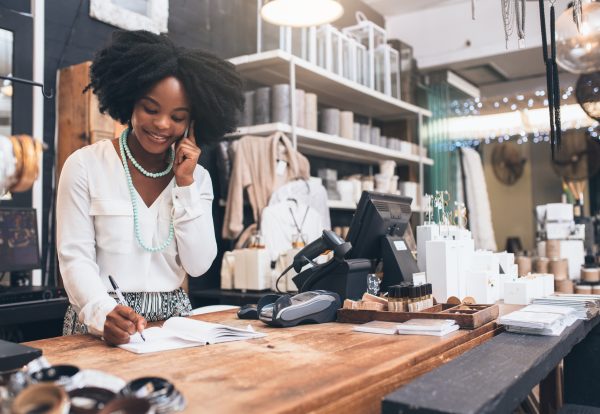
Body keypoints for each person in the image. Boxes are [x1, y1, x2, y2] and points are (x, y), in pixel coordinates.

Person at [56, 30, 243, 345]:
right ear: (129, 102)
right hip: (101, 320)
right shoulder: (84, 166)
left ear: (192, 123)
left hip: (175, 326)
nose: (162, 124)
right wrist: (103, 313)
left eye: (178, 116)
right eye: (150, 109)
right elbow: (75, 258)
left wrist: (185, 184)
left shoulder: (198, 179)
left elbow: (198, 266)